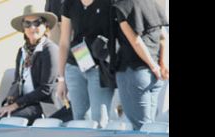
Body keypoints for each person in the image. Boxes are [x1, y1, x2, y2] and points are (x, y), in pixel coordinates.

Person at [0, 3, 60, 124]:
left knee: (6, 120)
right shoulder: (22, 51)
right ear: (23, 28)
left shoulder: (50, 49)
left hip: (43, 106)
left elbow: (46, 89)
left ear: (45, 25)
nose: (32, 27)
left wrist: (16, 105)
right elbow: (16, 82)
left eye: (37, 23)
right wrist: (9, 102)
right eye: (27, 24)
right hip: (25, 103)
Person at [55, 0, 115, 125]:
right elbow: (64, 42)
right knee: (79, 119)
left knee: (99, 120)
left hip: (100, 67)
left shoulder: (110, 2)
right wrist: (61, 79)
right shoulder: (69, 3)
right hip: (75, 64)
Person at [112, 0, 168, 130]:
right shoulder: (153, 4)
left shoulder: (122, 6)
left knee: (142, 128)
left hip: (134, 72)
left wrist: (153, 65)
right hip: (154, 76)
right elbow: (164, 38)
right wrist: (162, 65)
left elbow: (136, 41)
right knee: (150, 126)